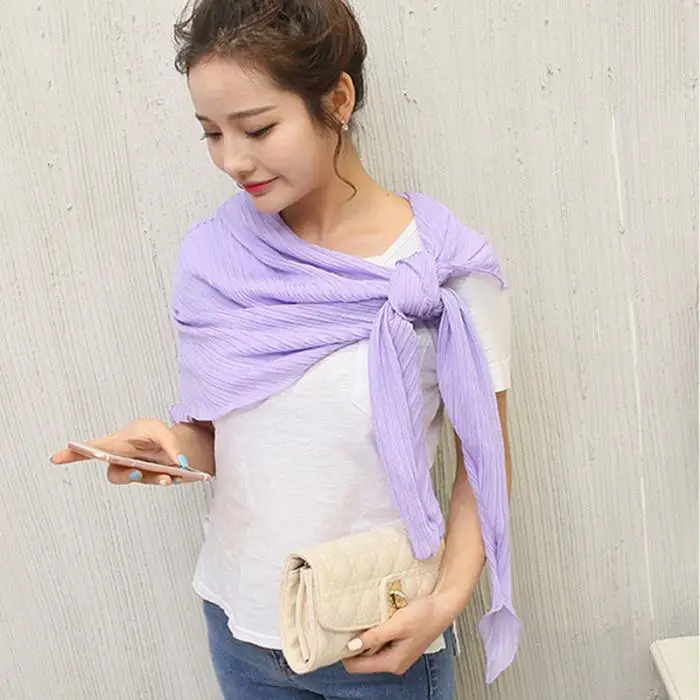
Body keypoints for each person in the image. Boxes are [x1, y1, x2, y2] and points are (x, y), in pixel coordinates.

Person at [52, 1, 520, 697]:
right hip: (238, 626)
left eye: (258, 128)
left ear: (337, 99)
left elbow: (483, 462)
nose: (232, 160)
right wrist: (171, 447)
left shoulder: (441, 271)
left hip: (379, 633)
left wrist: (445, 603)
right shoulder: (215, 258)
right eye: (211, 133)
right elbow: (222, 440)